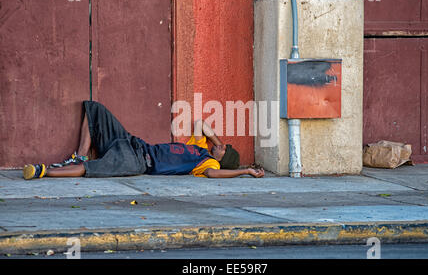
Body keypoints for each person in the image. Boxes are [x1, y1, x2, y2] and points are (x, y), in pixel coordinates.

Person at [23, 101, 265, 180]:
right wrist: (218, 142)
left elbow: (215, 175)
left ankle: (42, 172)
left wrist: (244, 172)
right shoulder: (201, 146)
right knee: (94, 109)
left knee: (90, 170)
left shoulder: (207, 165)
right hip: (133, 143)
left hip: (137, 162)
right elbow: (201, 124)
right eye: (223, 145)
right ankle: (81, 153)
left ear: (222, 160)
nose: (221, 146)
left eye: (224, 149)